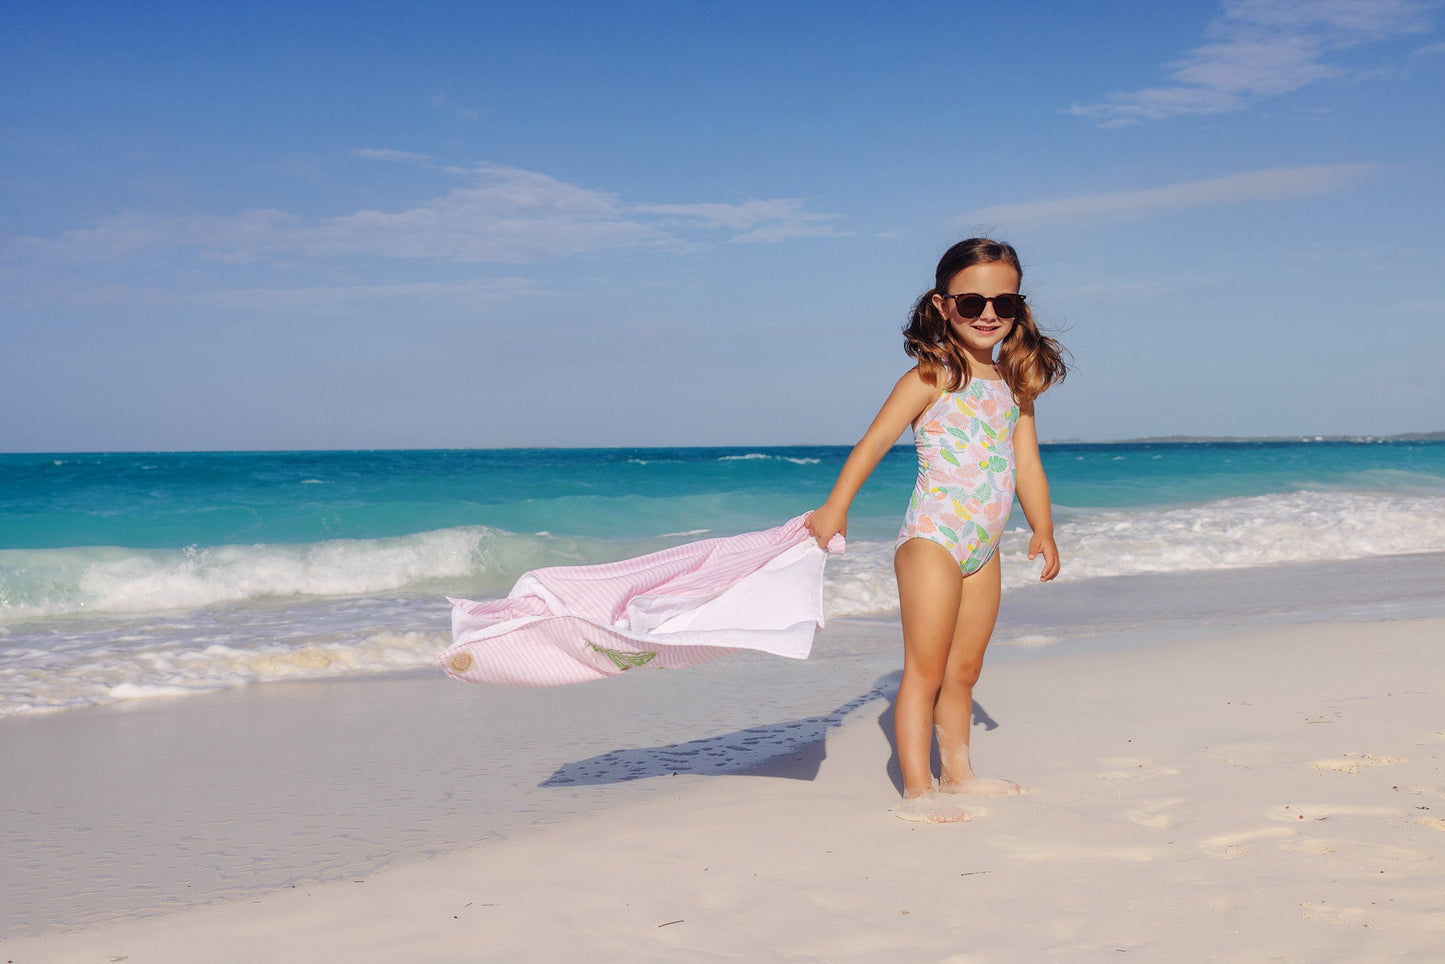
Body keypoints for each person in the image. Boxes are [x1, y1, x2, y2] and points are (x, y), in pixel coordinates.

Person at [805, 238, 1068, 823]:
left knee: (965, 671)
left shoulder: (1014, 385)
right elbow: (872, 444)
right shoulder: (930, 377)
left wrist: (1043, 528)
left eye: (1004, 302)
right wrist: (835, 507)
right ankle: (918, 791)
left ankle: (958, 775)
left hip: (984, 548)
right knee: (924, 669)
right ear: (943, 305)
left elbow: (1026, 464)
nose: (988, 315)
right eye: (971, 302)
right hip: (933, 541)